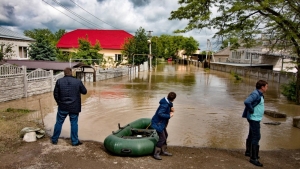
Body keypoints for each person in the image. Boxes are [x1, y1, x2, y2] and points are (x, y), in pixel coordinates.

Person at [51, 67, 87, 146]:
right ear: (71, 73)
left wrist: (59, 102)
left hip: (62, 106)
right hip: (74, 107)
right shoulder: (77, 81)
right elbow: (84, 92)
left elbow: (55, 94)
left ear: (64, 73)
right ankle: (74, 141)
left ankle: (54, 140)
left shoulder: (59, 81)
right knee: (74, 123)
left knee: (59, 123)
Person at [242, 80, 268, 167]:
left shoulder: (259, 94)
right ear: (262, 87)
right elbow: (247, 102)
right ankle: (253, 158)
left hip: (255, 118)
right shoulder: (255, 94)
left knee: (251, 134)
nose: (267, 88)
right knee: (256, 136)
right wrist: (251, 110)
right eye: (266, 86)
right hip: (254, 119)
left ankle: (249, 152)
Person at [151, 92, 176, 160]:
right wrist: (169, 115)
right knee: (162, 138)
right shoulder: (165, 104)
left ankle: (164, 151)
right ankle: (156, 154)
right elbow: (160, 113)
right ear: (173, 99)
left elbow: (168, 107)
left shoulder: (167, 103)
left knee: (166, 135)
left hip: (161, 123)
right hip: (158, 123)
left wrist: (171, 109)